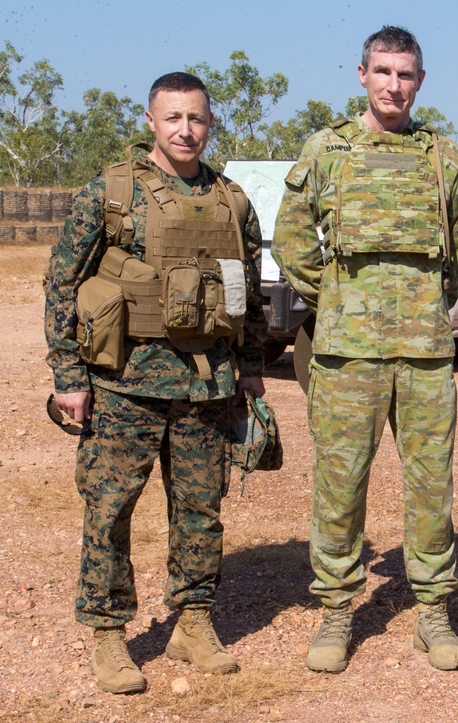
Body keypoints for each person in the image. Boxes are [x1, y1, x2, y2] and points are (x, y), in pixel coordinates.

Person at [44, 72, 267, 694]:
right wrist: (69, 376)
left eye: (196, 118)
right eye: (173, 118)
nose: (186, 130)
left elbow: (246, 292)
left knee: (201, 510)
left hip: (205, 386)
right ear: (150, 121)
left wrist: (249, 370)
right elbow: (63, 282)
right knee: (110, 509)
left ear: (210, 122)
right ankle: (109, 633)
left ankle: (192, 622)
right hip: (124, 385)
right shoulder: (112, 193)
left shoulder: (233, 200)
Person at [272, 25, 458, 674]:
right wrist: (334, 297)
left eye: (406, 74)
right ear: (361, 74)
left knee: (430, 487)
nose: (394, 85)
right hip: (346, 353)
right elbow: (293, 235)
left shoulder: (443, 157)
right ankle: (338, 612)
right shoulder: (328, 149)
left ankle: (433, 612)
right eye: (383, 72)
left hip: (422, 351)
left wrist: (422, 303)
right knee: (339, 487)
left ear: (420, 81)